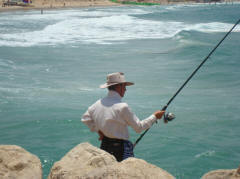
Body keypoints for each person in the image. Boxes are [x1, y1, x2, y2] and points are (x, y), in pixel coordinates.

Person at [81, 72, 165, 162]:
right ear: (118, 86)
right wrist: (155, 116)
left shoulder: (97, 103)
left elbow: (85, 119)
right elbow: (139, 128)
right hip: (120, 149)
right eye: (124, 86)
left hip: (104, 145)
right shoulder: (122, 107)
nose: (125, 89)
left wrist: (99, 131)